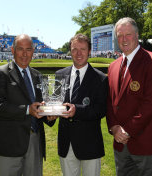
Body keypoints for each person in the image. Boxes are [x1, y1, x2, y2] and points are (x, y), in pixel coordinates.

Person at [106, 17, 152, 176]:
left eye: (128, 34)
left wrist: (127, 131)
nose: (124, 39)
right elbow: (110, 101)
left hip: (147, 144)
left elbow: (151, 103)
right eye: (120, 35)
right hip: (120, 145)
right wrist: (113, 127)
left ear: (137, 35)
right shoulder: (112, 66)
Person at [0, 34, 54, 176]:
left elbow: (40, 107)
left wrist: (49, 115)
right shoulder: (0, 73)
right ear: (13, 50)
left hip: (35, 141)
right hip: (9, 143)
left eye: (28, 49)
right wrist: (27, 110)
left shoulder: (37, 75)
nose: (24, 54)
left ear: (33, 51)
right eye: (20, 49)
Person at [53, 33, 107, 176]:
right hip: (66, 141)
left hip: (90, 142)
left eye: (82, 49)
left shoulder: (100, 78)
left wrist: (77, 110)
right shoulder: (60, 74)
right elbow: (55, 101)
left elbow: (101, 109)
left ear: (89, 51)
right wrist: (49, 113)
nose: (78, 53)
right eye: (74, 49)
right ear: (70, 51)